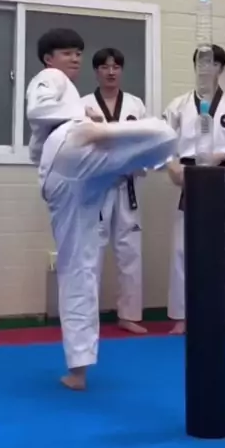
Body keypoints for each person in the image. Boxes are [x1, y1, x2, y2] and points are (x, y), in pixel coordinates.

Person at [26, 28, 177, 390]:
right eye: (67, 52)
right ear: (48, 59)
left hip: (79, 170)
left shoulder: (74, 96)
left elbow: (37, 149)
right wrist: (86, 121)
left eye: (78, 52)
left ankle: (78, 370)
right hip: (71, 151)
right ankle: (104, 135)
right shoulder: (50, 79)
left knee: (78, 269)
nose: (74, 58)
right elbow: (37, 110)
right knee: (162, 135)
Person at [163, 45, 225, 337]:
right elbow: (161, 141)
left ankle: (224, 317)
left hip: (221, 177)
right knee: (182, 247)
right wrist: (171, 165)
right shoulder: (178, 105)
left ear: (221, 68)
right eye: (200, 63)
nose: (205, 68)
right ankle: (182, 316)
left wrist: (221, 155)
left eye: (211, 63)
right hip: (188, 178)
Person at [82, 47, 148, 335]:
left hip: (126, 184)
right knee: (91, 253)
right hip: (97, 187)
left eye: (116, 67)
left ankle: (129, 315)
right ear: (96, 71)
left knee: (130, 250)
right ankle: (87, 317)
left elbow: (145, 142)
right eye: (105, 67)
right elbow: (78, 145)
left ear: (121, 70)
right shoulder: (83, 106)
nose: (111, 72)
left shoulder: (135, 105)